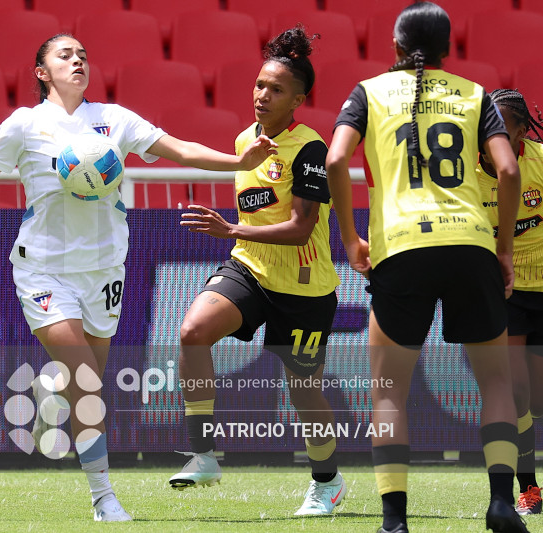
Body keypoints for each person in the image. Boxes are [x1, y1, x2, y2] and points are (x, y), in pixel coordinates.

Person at [0, 34, 277, 523]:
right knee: (86, 379)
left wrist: (238, 162)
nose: (77, 61)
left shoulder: (115, 120)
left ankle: (49, 389)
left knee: (86, 379)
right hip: (44, 268)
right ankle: (104, 498)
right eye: (64, 55)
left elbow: (179, 149)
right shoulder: (24, 125)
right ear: (41, 72)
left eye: (83, 56)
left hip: (103, 271)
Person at [325, 3, 526, 532]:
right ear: (447, 49)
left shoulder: (367, 93)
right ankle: (503, 503)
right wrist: (503, 250)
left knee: (389, 390)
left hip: (402, 250)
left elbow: (335, 161)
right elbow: (507, 170)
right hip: (471, 246)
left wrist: (350, 238)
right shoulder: (475, 94)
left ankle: (394, 522)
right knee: (497, 385)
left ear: (395, 46)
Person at [170, 26, 346, 517]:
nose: (262, 95)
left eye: (276, 89)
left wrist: (229, 231)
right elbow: (255, 216)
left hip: (304, 288)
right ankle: (203, 454)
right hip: (250, 268)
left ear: (299, 99)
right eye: (259, 85)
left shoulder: (311, 149)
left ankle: (327, 482)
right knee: (192, 331)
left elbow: (299, 228)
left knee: (303, 390)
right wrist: (236, 237)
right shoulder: (245, 141)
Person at [478, 88, 543, 517]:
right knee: (516, 391)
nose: (493, 135)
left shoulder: (539, 160)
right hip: (507, 290)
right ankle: (530, 488)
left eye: (504, 127)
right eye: (488, 127)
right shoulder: (465, 172)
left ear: (522, 132)